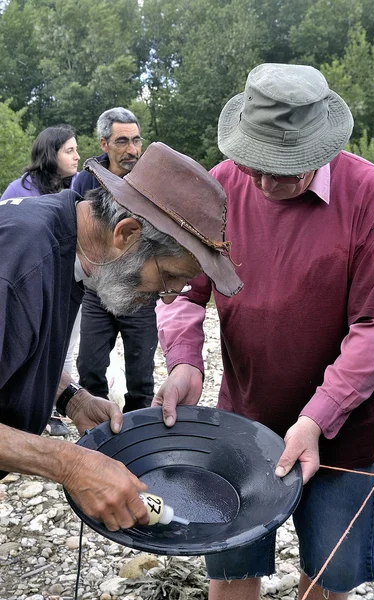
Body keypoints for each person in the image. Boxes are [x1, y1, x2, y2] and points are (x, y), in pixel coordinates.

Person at [154, 64, 374, 600]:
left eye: (283, 170)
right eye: (254, 165)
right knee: (232, 568)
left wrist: (318, 417)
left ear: (320, 152)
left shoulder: (370, 194)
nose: (262, 183)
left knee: (328, 576)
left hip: (341, 434)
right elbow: (183, 292)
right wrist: (185, 362)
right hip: (242, 423)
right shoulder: (218, 185)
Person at [0, 141, 243, 533]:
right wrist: (70, 463)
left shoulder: (67, 243)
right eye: (169, 278)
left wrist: (69, 397)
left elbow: (19, 344)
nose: (166, 297)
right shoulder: (20, 263)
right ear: (127, 233)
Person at [72, 107, 158, 413]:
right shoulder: (84, 182)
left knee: (141, 377)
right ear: (104, 144)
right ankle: (96, 438)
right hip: (97, 293)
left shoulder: (152, 180)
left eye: (137, 140)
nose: (133, 149)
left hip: (139, 293)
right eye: (123, 141)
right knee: (90, 368)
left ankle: (138, 441)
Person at [1, 124, 81, 436]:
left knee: (63, 347)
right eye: (69, 150)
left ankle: (51, 405)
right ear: (51, 153)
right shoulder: (19, 190)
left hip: (65, 285)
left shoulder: (74, 189)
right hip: (28, 287)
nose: (77, 156)